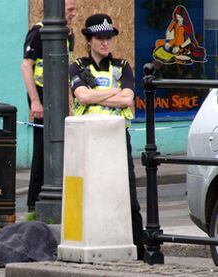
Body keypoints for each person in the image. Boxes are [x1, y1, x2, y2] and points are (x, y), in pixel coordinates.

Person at [69, 14, 145, 260]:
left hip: (116, 135)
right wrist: (114, 91)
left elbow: (126, 99)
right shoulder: (78, 66)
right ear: (89, 40)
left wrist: (99, 92)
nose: (105, 43)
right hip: (87, 137)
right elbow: (82, 97)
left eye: (108, 38)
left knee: (128, 195)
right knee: (90, 195)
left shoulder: (122, 66)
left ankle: (139, 249)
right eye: (100, 38)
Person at [21, 0, 77, 212]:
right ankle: (33, 203)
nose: (73, 14)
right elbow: (26, 66)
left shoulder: (68, 33)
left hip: (59, 99)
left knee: (59, 147)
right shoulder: (38, 32)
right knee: (42, 149)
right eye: (70, 10)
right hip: (42, 98)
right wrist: (35, 100)